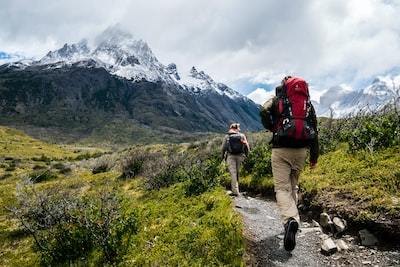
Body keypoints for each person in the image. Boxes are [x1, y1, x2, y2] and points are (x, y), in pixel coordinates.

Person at [261, 76, 319, 251]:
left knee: (282, 188)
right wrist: (314, 157)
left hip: (281, 149)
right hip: (301, 151)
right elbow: (314, 129)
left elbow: (263, 110)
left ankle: (290, 220)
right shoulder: (307, 103)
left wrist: (272, 127)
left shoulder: (278, 99)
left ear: (284, 85)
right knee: (293, 187)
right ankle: (292, 220)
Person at [221, 123, 250, 196]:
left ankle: (235, 191)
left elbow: (223, 148)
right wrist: (247, 155)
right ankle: (237, 190)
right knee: (238, 172)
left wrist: (222, 157)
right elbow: (247, 146)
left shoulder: (227, 136)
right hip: (240, 156)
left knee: (233, 173)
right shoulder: (242, 135)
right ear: (237, 128)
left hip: (230, 156)